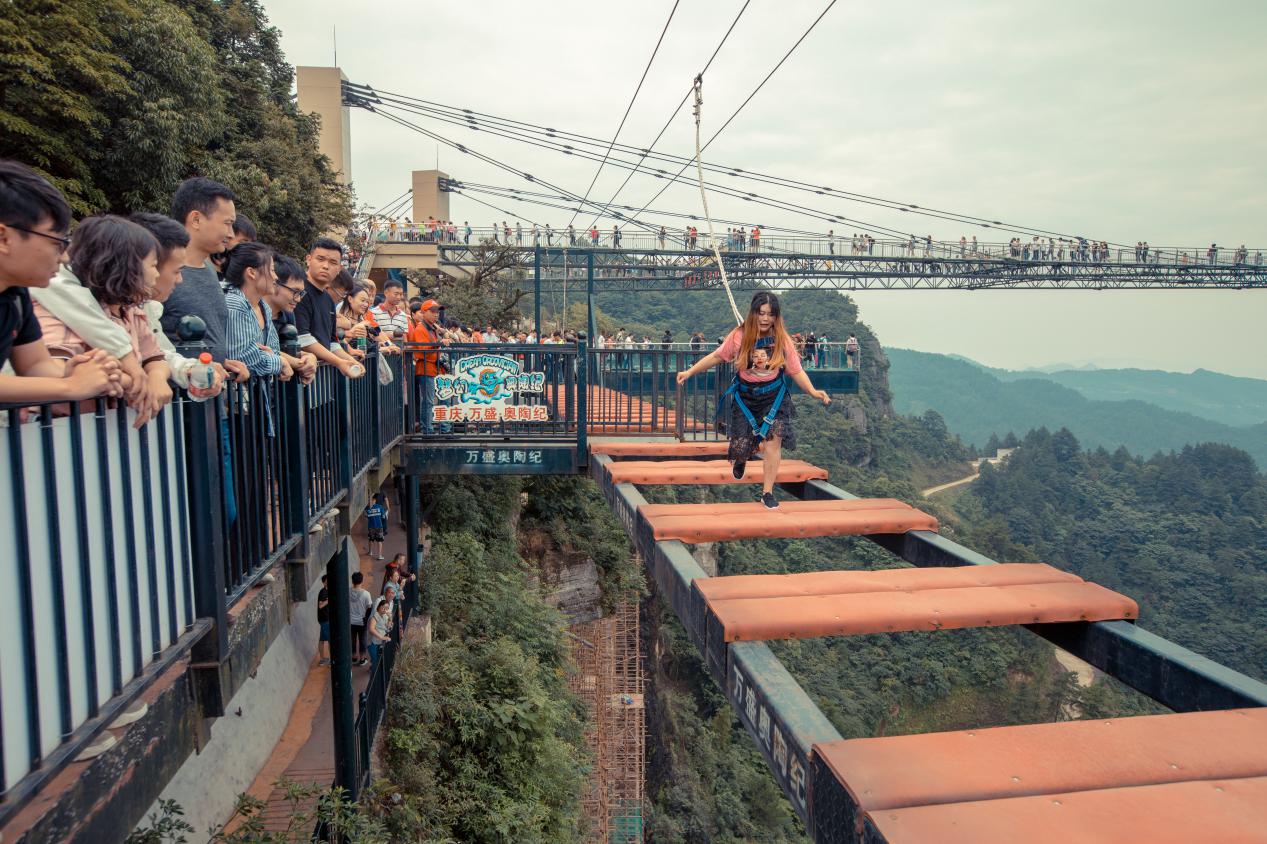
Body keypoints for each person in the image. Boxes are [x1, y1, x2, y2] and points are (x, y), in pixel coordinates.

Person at [675, 292, 830, 510]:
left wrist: (813, 391)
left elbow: (795, 370)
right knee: (741, 444)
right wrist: (689, 372)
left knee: (773, 440)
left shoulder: (782, 339)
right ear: (753, 313)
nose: (765, 319)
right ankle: (742, 457)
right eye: (761, 313)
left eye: (770, 314)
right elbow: (717, 356)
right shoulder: (739, 336)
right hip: (746, 396)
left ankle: (767, 492)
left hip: (773, 396)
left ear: (776, 316)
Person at [0, 162, 122, 403]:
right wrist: (70, 387)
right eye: (57, 242)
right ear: (4, 238)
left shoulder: (16, 295)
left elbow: (35, 364)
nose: (65, 256)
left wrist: (78, 372)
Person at [33, 215, 173, 421]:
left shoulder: (131, 311)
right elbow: (57, 368)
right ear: (127, 267)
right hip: (62, 428)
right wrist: (134, 381)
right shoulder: (59, 310)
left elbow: (155, 356)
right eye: (152, 265)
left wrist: (156, 378)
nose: (156, 275)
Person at [160, 177, 249, 382]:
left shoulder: (209, 270)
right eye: (227, 224)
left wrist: (221, 361)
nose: (230, 233)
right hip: (178, 405)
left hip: (211, 402)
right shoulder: (159, 271)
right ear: (196, 219)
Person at [131, 212, 227, 399]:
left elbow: (160, 353)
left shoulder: (146, 309)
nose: (180, 280)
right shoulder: (91, 306)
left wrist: (192, 369)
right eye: (176, 271)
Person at [293, 238, 361, 377]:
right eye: (320, 259)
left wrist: (350, 361)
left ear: (339, 269)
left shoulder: (328, 300)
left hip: (321, 381)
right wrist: (338, 362)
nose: (325, 266)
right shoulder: (297, 291)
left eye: (333, 262)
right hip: (300, 375)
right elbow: (303, 339)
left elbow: (332, 342)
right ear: (308, 259)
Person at [224, 242, 291, 381]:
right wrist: (280, 362)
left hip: (260, 393)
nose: (276, 277)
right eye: (272, 270)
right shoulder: (235, 303)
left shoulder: (263, 306)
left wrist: (270, 357)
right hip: (238, 397)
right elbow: (242, 356)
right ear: (251, 272)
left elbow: (274, 349)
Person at [266, 255, 318, 383]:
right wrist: (296, 363)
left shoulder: (288, 315)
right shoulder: (249, 311)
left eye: (301, 293)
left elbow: (292, 349)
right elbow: (257, 349)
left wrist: (310, 359)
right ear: (274, 283)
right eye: (294, 291)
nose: (298, 299)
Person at [408, 298, 451, 434]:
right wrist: (439, 343)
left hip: (436, 368)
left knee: (444, 399)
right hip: (426, 369)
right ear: (423, 312)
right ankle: (427, 430)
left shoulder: (432, 328)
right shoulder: (421, 329)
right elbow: (422, 349)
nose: (436, 314)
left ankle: (445, 428)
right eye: (432, 311)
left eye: (437, 311)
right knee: (429, 401)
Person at [349, 571, 373, 666]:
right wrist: (366, 618)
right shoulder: (366, 594)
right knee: (362, 639)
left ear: (352, 581)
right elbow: (369, 607)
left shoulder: (347, 591)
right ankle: (362, 659)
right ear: (362, 581)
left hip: (350, 621)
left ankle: (354, 657)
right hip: (361, 621)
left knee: (352, 639)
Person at [367, 597, 392, 671]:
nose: (385, 610)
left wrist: (390, 618)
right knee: (375, 661)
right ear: (378, 607)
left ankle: (372, 668)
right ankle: (373, 674)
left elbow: (388, 626)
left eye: (387, 608)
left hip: (379, 642)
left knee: (377, 658)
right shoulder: (374, 616)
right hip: (372, 642)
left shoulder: (385, 615)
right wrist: (382, 637)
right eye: (383, 608)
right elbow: (371, 629)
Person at [364, 493, 387, 559]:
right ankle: (380, 555)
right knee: (379, 541)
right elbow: (383, 517)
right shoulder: (380, 507)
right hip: (379, 526)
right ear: (375, 500)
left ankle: (370, 552)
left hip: (371, 526)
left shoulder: (367, 508)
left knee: (371, 539)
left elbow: (365, 517)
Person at [316, 574, 331, 666]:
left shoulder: (328, 591)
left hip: (325, 619)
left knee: (321, 640)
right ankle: (332, 661)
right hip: (325, 620)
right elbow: (320, 605)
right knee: (330, 640)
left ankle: (322, 659)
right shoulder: (323, 592)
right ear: (324, 582)